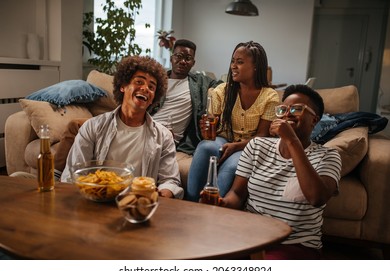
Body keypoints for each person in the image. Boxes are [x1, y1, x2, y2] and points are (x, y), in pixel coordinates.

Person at [54, 39, 223, 173]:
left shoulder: (199, 83)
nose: (183, 61)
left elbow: (224, 86)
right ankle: (56, 173)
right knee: (75, 125)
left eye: (188, 58)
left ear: (193, 62)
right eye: (179, 56)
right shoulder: (156, 77)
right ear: (172, 58)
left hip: (164, 134)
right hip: (141, 121)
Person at [218, 84, 342, 259]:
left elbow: (317, 197)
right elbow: (237, 193)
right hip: (248, 237)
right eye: (283, 109)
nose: (287, 114)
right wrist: (221, 205)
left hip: (294, 244)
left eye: (297, 109)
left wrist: (291, 140)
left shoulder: (328, 156)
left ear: (315, 120)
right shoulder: (257, 146)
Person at [61, 55, 183, 199]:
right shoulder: (92, 127)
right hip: (97, 201)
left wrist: (161, 194)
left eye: (151, 87)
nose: (145, 88)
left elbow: (170, 181)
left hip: (137, 206)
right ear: (123, 86)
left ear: (153, 98)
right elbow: (74, 174)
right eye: (139, 82)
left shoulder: (164, 137)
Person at [186, 41, 280, 202]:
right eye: (233, 61)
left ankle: (211, 207)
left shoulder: (269, 97)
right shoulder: (222, 91)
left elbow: (262, 136)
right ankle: (190, 201)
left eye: (240, 62)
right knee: (206, 147)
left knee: (233, 166)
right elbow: (212, 133)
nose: (233, 66)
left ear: (256, 66)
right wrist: (206, 130)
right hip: (223, 139)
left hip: (250, 146)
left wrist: (236, 146)